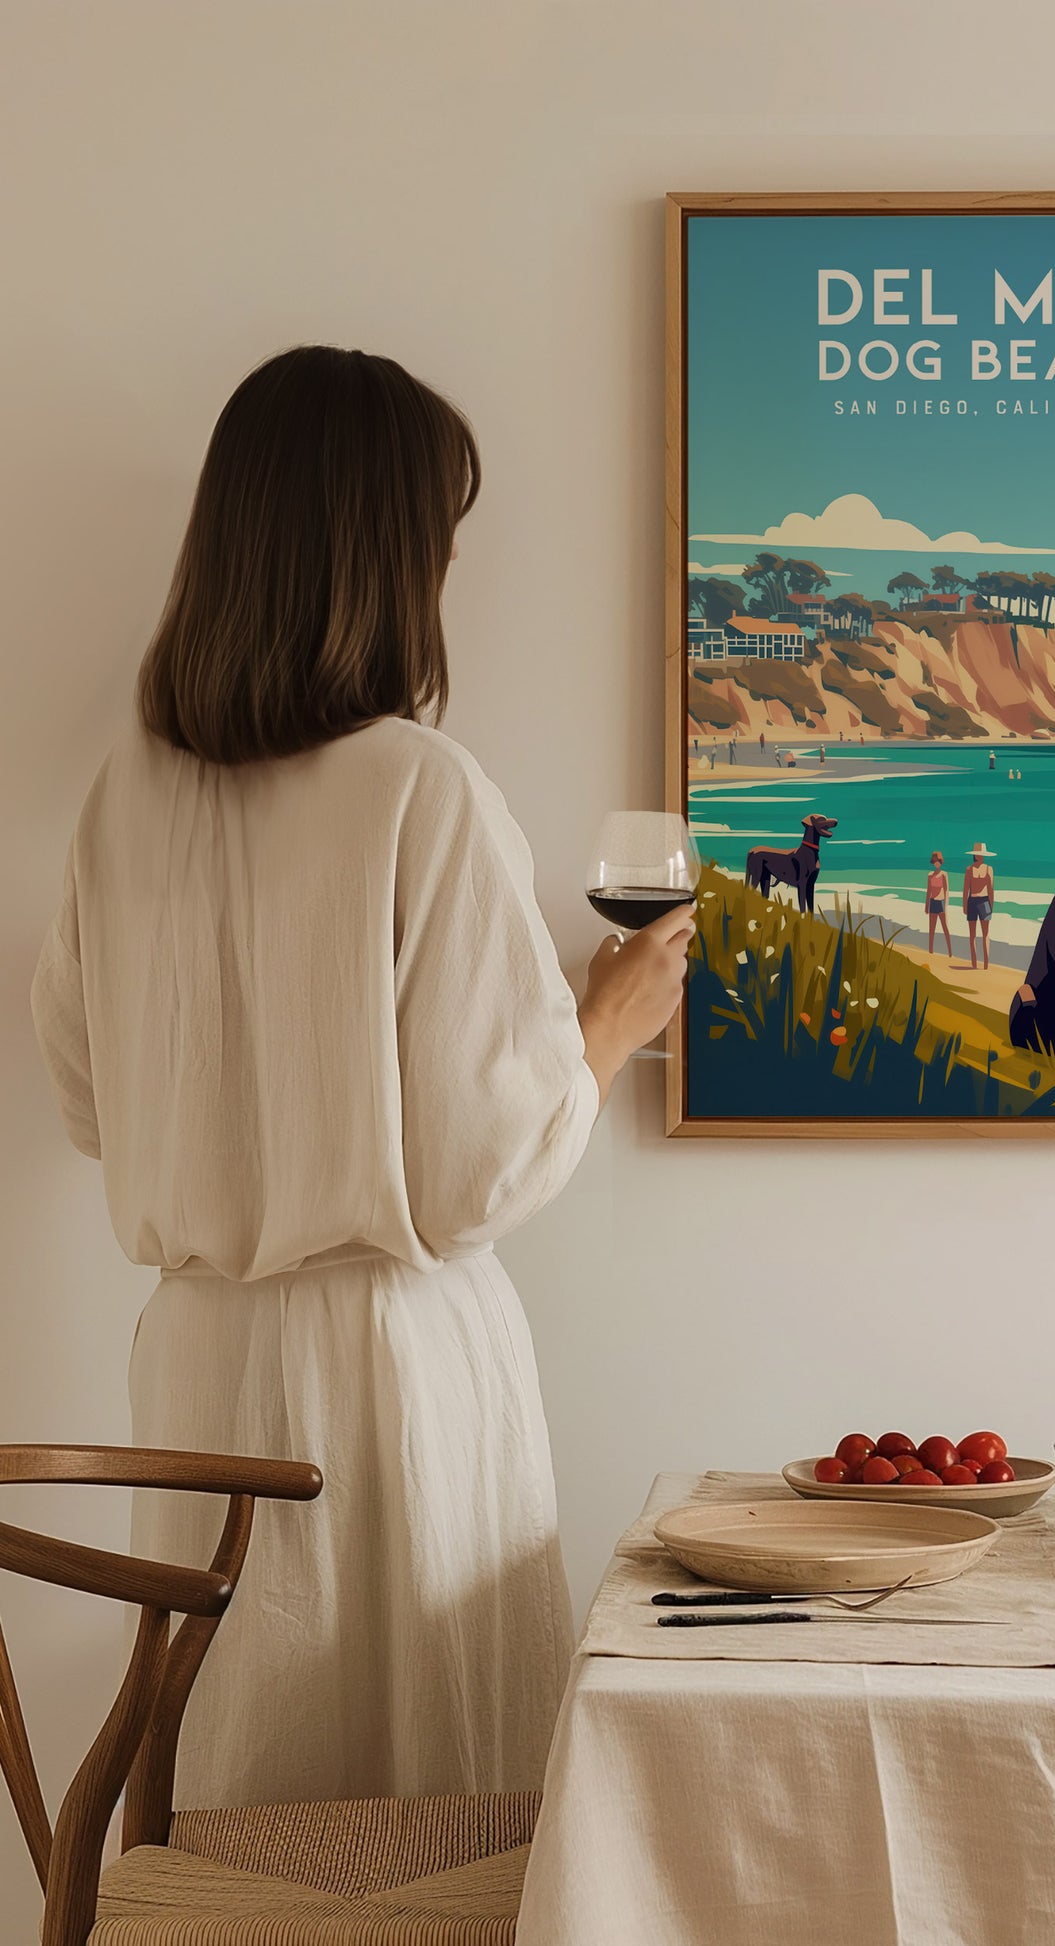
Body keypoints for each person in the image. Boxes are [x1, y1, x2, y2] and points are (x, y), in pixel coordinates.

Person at [30, 346, 694, 1809]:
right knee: (425, 1813)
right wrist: (608, 1021)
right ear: (386, 557)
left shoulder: (123, 797)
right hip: (391, 1371)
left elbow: (88, 1100)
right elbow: (477, 1172)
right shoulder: (419, 786)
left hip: (196, 1363)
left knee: (241, 1797)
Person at [963, 842, 996, 969]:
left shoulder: (984, 869)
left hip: (978, 901)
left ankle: (982, 963)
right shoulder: (971, 869)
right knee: (976, 935)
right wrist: (964, 905)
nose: (979, 856)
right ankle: (977, 963)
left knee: (981, 934)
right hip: (979, 901)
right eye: (979, 854)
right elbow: (966, 889)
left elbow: (990, 889)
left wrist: (964, 905)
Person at [924, 850, 952, 957]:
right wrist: (926, 906)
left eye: (938, 861)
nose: (936, 863)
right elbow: (928, 891)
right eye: (935, 861)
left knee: (945, 927)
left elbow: (946, 891)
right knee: (932, 928)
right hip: (932, 902)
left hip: (941, 902)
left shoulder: (944, 874)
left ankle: (949, 951)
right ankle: (930, 951)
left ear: (941, 861)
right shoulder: (930, 875)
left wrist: (945, 906)